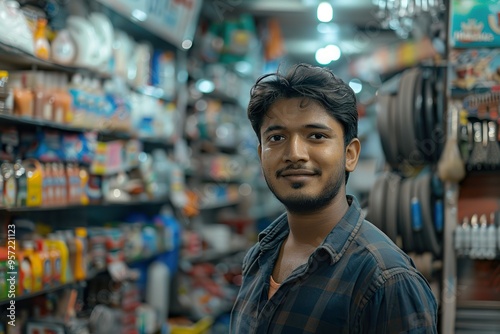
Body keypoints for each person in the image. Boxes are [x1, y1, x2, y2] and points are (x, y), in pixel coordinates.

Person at [229, 63, 438, 333]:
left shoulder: (385, 279)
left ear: (350, 155)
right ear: (261, 156)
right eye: (277, 137)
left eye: (316, 136)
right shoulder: (259, 256)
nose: (295, 153)